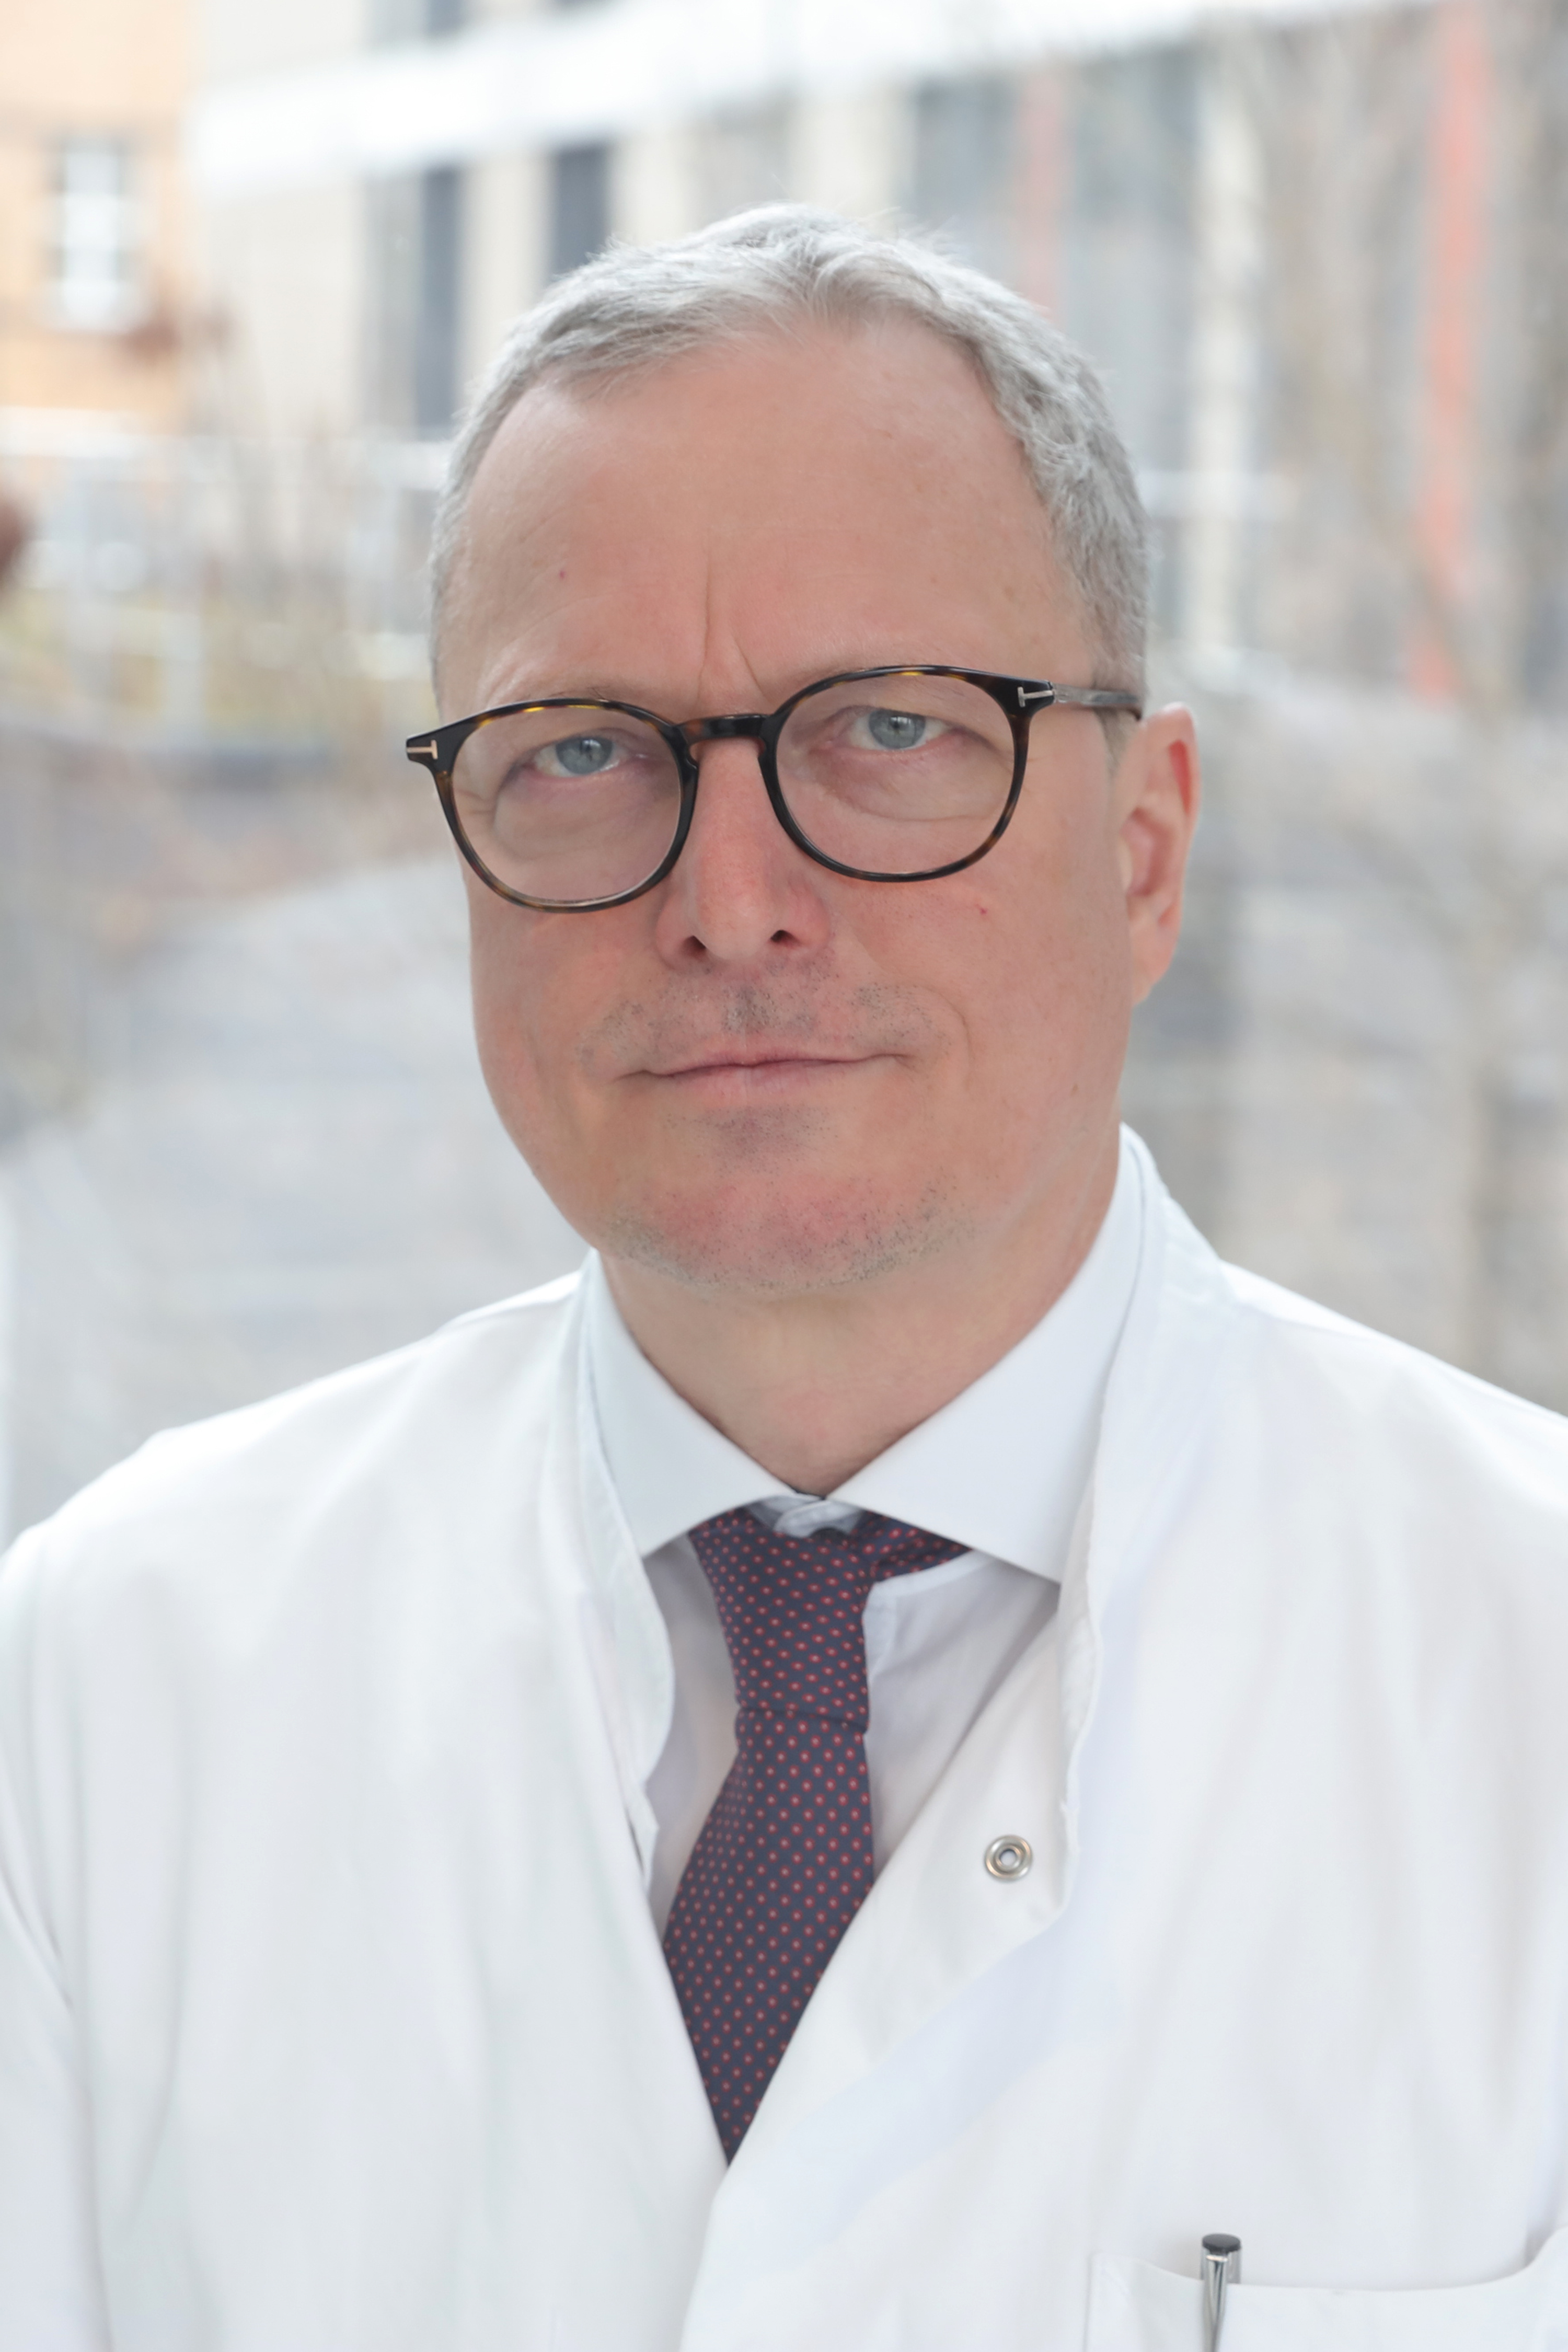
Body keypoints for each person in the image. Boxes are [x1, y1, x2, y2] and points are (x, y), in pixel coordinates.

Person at [4, 206, 1568, 2352]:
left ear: (1146, 846)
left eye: (890, 732)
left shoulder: (1530, 1667)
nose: (732, 900)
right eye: (578, 750)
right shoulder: (108, 1677)